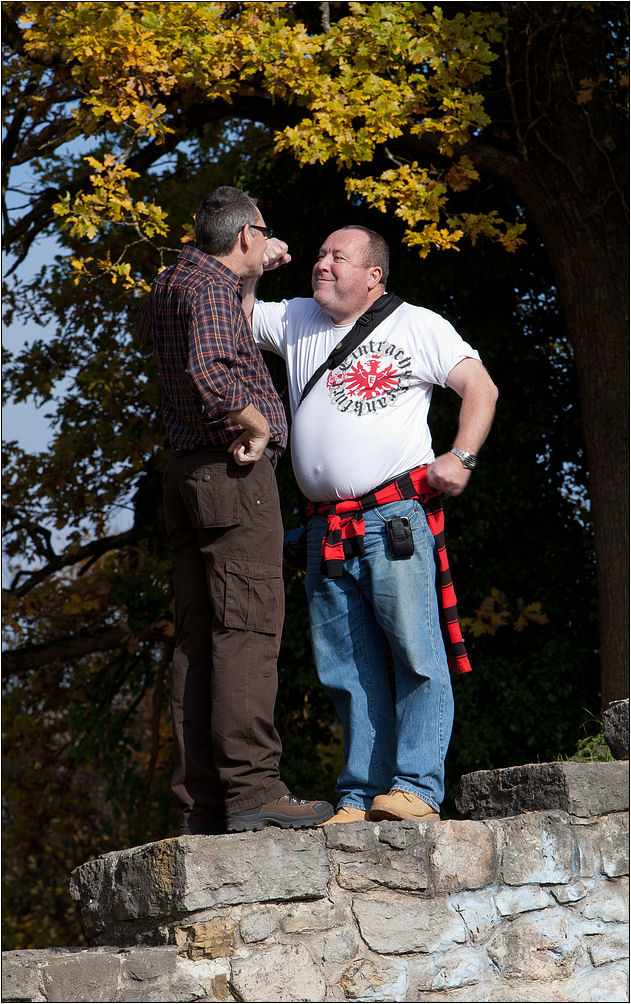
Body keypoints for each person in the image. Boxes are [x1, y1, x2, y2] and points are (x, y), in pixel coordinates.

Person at [244, 225, 498, 824]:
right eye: (320, 252)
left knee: (414, 651)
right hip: (323, 529)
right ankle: (360, 793)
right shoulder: (297, 318)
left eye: (339, 256)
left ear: (373, 275)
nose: (322, 263)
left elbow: (479, 387)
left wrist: (461, 456)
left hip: (394, 519)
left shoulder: (419, 325)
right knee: (343, 666)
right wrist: (255, 259)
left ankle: (416, 787)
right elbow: (234, 305)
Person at [137, 186, 333, 834]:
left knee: (197, 642)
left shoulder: (174, 282)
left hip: (186, 475)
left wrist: (256, 274)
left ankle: (202, 805)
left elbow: (214, 343)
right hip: (232, 475)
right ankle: (254, 794)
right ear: (245, 234)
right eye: (263, 232)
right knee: (247, 633)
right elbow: (213, 370)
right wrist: (248, 419)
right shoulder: (210, 290)